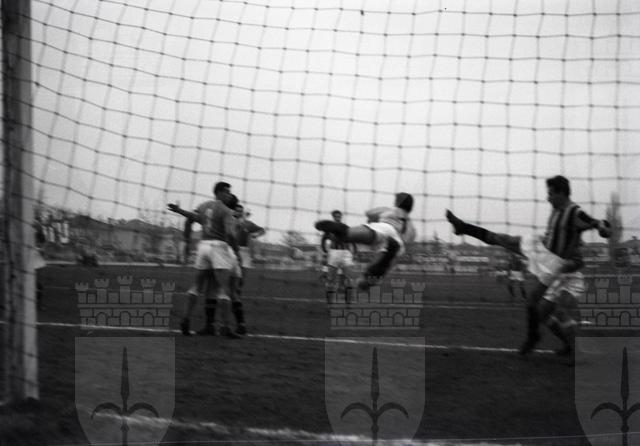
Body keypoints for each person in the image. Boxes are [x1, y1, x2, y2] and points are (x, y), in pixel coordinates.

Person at [446, 175, 611, 355]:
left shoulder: (574, 212)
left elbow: (593, 223)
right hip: (543, 252)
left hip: (560, 268)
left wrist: (602, 226)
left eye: (551, 194)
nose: (548, 198)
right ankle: (463, 227)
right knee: (502, 239)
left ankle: (559, 346)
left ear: (562, 193)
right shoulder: (557, 210)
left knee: (549, 309)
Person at [168, 181, 242, 338]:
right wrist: (236, 251)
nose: (229, 195)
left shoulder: (203, 206)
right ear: (219, 192)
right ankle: (226, 327)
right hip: (218, 246)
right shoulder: (226, 210)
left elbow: (193, 217)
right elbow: (230, 233)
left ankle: (186, 320)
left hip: (203, 247)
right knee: (223, 289)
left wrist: (179, 210)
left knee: (197, 286)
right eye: (227, 192)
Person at [314, 193, 416, 291]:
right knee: (375, 273)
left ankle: (342, 231)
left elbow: (369, 213)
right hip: (396, 243)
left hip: (382, 228)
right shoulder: (411, 226)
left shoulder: (389, 210)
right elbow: (409, 240)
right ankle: (368, 277)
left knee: (354, 234)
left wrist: (373, 218)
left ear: (397, 203)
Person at [320, 210, 357, 298]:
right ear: (333, 217)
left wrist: (354, 250)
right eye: (336, 216)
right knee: (330, 278)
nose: (338, 218)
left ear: (341, 217)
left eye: (339, 216)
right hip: (334, 252)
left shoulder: (345, 227)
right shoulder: (329, 229)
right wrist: (324, 249)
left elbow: (352, 238)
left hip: (345, 252)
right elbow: (324, 238)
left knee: (349, 276)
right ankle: (330, 296)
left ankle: (346, 294)